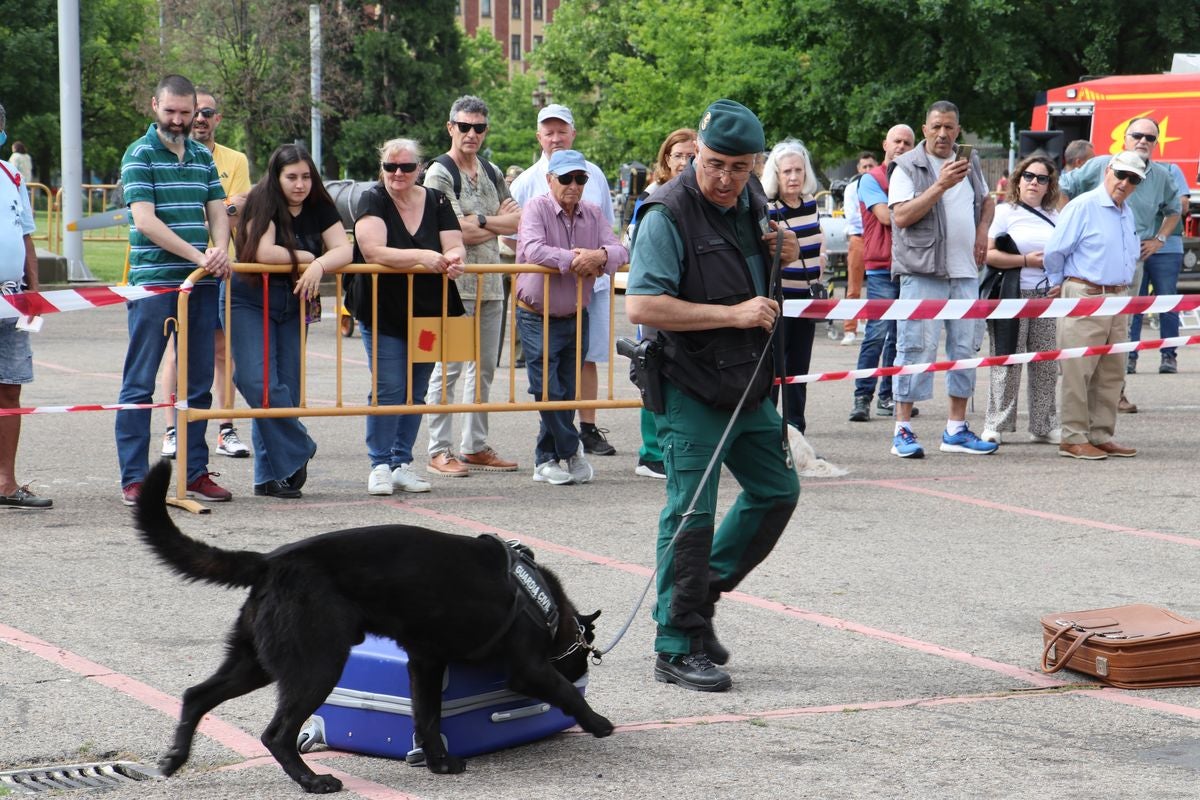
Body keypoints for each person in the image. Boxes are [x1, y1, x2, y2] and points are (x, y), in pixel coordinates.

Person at [625, 99, 800, 692]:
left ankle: (702, 596)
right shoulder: (665, 214)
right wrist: (734, 314)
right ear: (695, 152)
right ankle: (674, 644)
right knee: (690, 513)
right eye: (714, 164)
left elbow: (757, 259)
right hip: (690, 384)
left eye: (739, 167)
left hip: (747, 382)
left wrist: (782, 251)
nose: (724, 178)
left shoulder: (751, 202)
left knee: (778, 491)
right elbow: (643, 306)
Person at [116, 74, 232, 505]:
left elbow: (217, 208)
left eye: (187, 113)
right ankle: (134, 478)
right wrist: (200, 255)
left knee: (198, 380)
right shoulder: (138, 154)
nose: (180, 120)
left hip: (198, 286)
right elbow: (145, 220)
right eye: (172, 112)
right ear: (155, 106)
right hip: (154, 284)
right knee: (139, 382)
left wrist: (219, 249)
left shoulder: (202, 156)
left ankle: (195, 471)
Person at [228, 144, 352, 498]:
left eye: (306, 177)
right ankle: (299, 446)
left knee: (287, 387)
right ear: (276, 177)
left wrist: (320, 265)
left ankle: (272, 475)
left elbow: (344, 249)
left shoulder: (320, 205)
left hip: (295, 301)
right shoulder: (262, 199)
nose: (300, 185)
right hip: (250, 299)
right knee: (256, 380)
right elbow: (262, 252)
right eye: (291, 177)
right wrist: (309, 255)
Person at [346, 138, 466, 496]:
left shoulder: (437, 199)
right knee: (389, 388)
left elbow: (455, 242)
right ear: (381, 168)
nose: (398, 173)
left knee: (416, 389)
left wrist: (456, 258)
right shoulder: (373, 198)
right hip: (383, 309)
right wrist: (423, 257)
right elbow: (372, 251)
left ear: (420, 169)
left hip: (428, 311)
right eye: (390, 167)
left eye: (406, 167)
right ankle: (379, 464)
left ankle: (402, 462)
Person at [887, 100, 997, 459]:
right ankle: (903, 429)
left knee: (964, 351)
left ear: (958, 130)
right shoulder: (906, 166)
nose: (943, 133)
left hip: (965, 272)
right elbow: (900, 217)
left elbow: (987, 200)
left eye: (949, 127)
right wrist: (940, 184)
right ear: (924, 129)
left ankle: (956, 429)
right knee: (915, 347)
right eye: (936, 126)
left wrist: (983, 231)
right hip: (923, 272)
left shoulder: (971, 160)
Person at [510, 104, 617, 457]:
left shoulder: (594, 203)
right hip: (537, 310)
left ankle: (549, 458)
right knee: (546, 388)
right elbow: (529, 247)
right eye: (567, 178)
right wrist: (575, 260)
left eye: (580, 179)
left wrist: (599, 257)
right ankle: (569, 448)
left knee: (566, 386)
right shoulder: (533, 196)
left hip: (579, 305)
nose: (574, 185)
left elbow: (616, 246)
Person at [421, 95, 521, 477]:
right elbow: (448, 229)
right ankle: (438, 449)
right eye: (464, 126)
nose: (471, 134)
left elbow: (517, 221)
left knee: (484, 369)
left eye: (478, 127)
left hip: (492, 285)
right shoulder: (439, 173)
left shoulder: (493, 170)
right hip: (453, 286)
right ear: (451, 128)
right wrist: (492, 220)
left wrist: (477, 221)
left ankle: (474, 446)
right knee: (447, 369)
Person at [160, 89, 252, 461]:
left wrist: (220, 212)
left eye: (207, 112)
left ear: (218, 118)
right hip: (178, 269)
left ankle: (225, 428)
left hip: (217, 269)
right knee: (175, 352)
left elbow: (236, 209)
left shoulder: (235, 159)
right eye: (193, 112)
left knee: (220, 351)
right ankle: (171, 429)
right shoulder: (168, 154)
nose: (199, 119)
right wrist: (219, 211)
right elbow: (176, 215)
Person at [1060, 118, 1180, 392]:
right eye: (1137, 135)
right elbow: (1063, 187)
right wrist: (1064, 228)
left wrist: (1159, 239)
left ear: (1156, 143)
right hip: (1088, 263)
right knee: (1085, 328)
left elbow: (1174, 210)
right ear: (1124, 139)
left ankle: (1117, 393)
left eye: (1150, 138)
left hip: (1131, 263)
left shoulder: (1161, 176)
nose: (1143, 141)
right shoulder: (1100, 165)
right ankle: (1081, 390)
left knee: (1121, 327)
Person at [1043, 151, 1144, 460]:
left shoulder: (1126, 211)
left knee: (1112, 372)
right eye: (1122, 175)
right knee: (1078, 370)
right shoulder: (1083, 206)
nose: (1125, 183)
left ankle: (1100, 434)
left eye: (1134, 179)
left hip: (1117, 295)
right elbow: (1055, 251)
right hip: (1086, 293)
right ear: (1108, 170)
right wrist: (1059, 283)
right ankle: (1073, 436)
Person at [626, 128, 698, 480]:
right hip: (656, 295)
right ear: (666, 160)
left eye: (691, 155)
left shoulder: (698, 196)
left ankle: (677, 447)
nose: (686, 161)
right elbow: (636, 243)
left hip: (686, 298)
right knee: (651, 368)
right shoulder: (654, 196)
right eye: (679, 155)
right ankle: (650, 453)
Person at [980, 155, 1061, 445]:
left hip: (1046, 298)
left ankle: (1044, 425)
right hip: (1011, 295)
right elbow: (987, 254)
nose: (1034, 183)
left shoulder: (1056, 216)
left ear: (1050, 185)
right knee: (1007, 360)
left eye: (1042, 178)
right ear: (1018, 179)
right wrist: (1025, 260)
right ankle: (996, 424)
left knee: (1046, 364)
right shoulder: (1005, 212)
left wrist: (1059, 282)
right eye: (1029, 176)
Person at [0, 103, 51, 509]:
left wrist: (33, 293)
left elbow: (27, 238)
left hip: (12, 300)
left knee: (10, 393)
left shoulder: (11, 175)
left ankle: (6, 483)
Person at [848, 124, 916, 422]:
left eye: (907, 142)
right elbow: (887, 216)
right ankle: (862, 397)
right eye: (896, 141)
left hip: (910, 266)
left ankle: (889, 396)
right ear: (885, 145)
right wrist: (918, 205)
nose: (901, 146)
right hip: (880, 268)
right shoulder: (869, 179)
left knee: (900, 337)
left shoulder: (916, 177)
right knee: (876, 334)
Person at [762, 139, 825, 435]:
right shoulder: (770, 209)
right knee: (775, 369)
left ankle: (796, 426)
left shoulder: (811, 203)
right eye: (787, 171)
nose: (793, 177)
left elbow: (818, 242)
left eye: (798, 170)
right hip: (780, 300)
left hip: (808, 300)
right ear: (776, 174)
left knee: (800, 368)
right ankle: (769, 427)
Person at [1127, 160, 1190, 375]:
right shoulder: (1128, 173)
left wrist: (1153, 202)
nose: (1144, 142)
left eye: (1150, 138)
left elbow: (1182, 205)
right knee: (1134, 304)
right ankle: (1129, 355)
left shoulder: (1171, 170)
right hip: (1137, 247)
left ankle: (1169, 355)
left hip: (1167, 247)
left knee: (1168, 302)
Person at [841, 150, 878, 345]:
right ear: (858, 168)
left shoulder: (880, 186)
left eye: (871, 166)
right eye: (864, 166)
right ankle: (850, 329)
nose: (867, 169)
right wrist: (875, 215)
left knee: (877, 286)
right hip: (859, 239)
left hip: (877, 240)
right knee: (853, 287)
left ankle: (873, 327)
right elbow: (852, 216)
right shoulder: (851, 189)